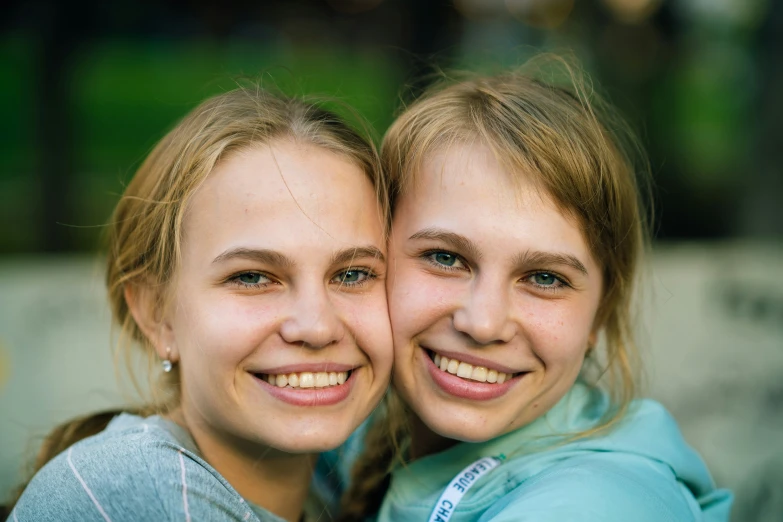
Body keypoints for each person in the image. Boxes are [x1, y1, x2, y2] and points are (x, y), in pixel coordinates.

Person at [339, 58, 733, 522]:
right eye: (446, 258)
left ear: (599, 315)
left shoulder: (598, 505)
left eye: (545, 278)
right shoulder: (354, 428)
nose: (484, 323)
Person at [9, 86, 393, 522]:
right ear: (157, 315)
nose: (317, 326)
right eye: (251, 277)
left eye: (352, 274)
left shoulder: (337, 489)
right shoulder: (143, 488)